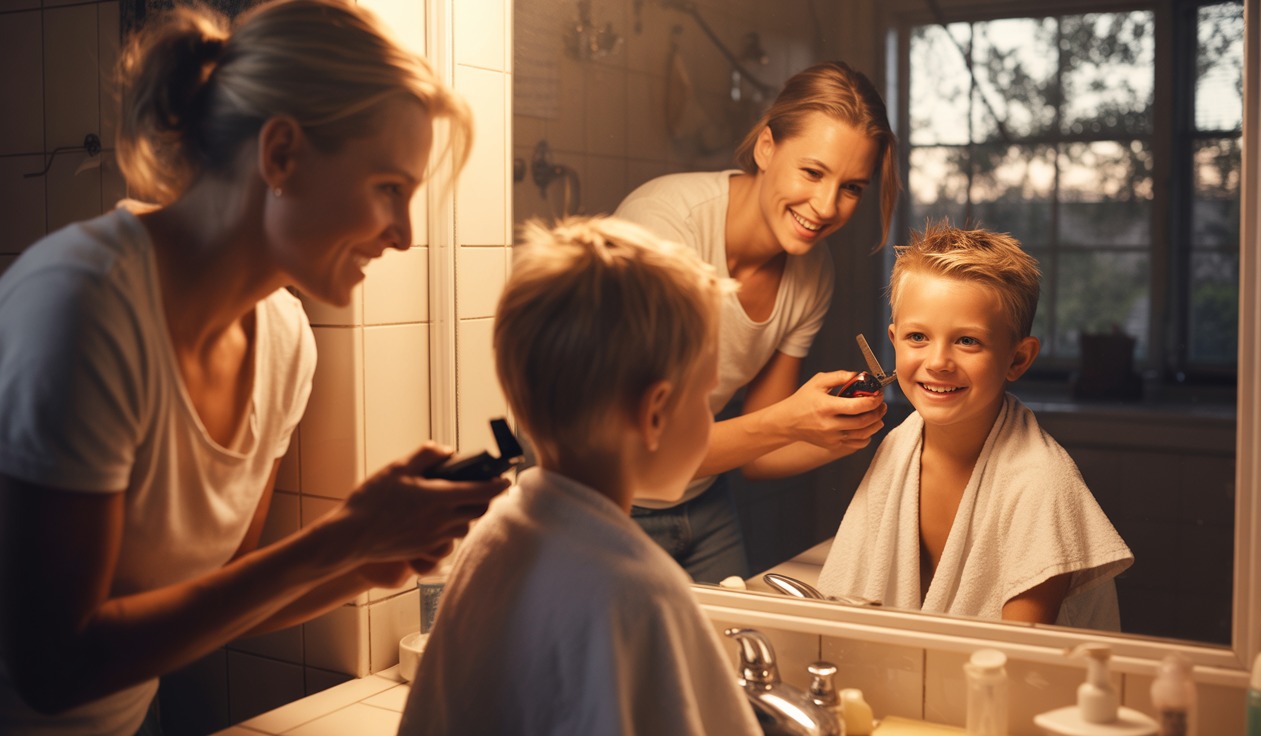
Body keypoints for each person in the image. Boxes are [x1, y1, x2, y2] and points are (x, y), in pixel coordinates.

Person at [0, 2, 507, 734]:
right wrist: (342, 540)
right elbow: (51, 669)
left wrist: (362, 563)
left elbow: (214, 596)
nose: (403, 236)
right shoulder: (83, 309)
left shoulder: (282, 338)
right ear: (281, 156)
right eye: (388, 189)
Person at [398, 217, 762, 736]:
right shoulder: (641, 594)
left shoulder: (494, 538)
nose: (711, 418)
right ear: (655, 413)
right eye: (705, 397)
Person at [612, 61, 901, 583]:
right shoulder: (662, 228)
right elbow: (636, 452)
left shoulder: (813, 273)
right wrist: (791, 421)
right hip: (605, 501)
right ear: (766, 147)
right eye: (812, 172)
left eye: (852, 187)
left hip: (701, 501)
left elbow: (758, 454)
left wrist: (842, 434)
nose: (826, 206)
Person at [817, 221, 1134, 629]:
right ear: (893, 342)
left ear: (1018, 359)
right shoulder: (899, 446)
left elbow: (1016, 653)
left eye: (967, 341)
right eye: (917, 337)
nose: (937, 362)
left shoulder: (1040, 484)